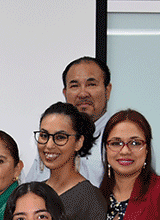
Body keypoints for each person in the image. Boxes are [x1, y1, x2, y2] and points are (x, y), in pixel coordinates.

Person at [34, 102, 107, 220]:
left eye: (60, 137)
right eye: (44, 135)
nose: (49, 145)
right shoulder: (34, 191)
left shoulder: (89, 198)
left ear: (78, 142)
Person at [24, 57, 112, 186]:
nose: (83, 94)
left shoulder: (120, 138)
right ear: (65, 93)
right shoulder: (49, 143)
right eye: (74, 86)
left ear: (107, 90)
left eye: (91, 84)